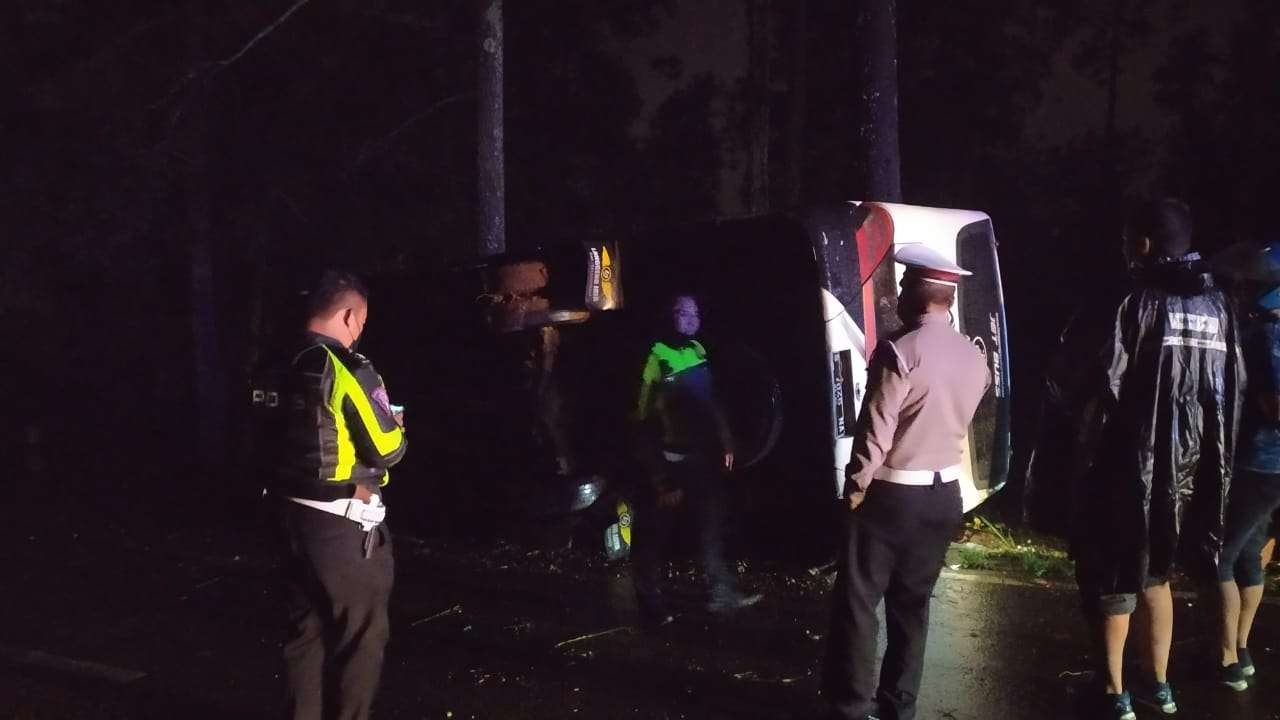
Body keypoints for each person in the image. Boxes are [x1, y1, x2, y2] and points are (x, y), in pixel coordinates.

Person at [1026, 198, 1244, 719]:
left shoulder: (1124, 299)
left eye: (1129, 242)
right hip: (1190, 475)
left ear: (1143, 244)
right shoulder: (1219, 306)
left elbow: (1072, 376)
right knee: (1157, 575)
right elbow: (1232, 388)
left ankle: (1113, 691)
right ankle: (1159, 685)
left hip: (1122, 467)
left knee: (1113, 578)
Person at [822, 245, 990, 720]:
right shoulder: (974, 357)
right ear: (948, 300)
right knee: (912, 606)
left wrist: (854, 489)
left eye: (902, 284)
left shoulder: (899, 351)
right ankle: (899, 706)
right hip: (944, 498)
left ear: (916, 294)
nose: (895, 291)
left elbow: (876, 431)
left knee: (858, 601)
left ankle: (850, 705)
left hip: (892, 495)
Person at [268, 270, 408, 720]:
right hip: (342, 526)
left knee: (302, 635)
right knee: (360, 639)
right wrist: (398, 427)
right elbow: (388, 448)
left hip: (286, 518)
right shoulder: (346, 367)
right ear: (348, 314)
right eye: (361, 321)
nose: (360, 331)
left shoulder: (273, 360)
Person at [630, 293, 761, 624]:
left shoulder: (698, 351)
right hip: (670, 463)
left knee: (712, 527)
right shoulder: (655, 357)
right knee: (655, 536)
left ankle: (720, 595)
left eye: (694, 313)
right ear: (668, 316)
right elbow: (642, 421)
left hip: (701, 459)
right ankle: (650, 602)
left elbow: (712, 402)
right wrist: (661, 478)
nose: (689, 319)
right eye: (682, 313)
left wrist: (726, 441)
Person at [1214, 243, 1280, 689]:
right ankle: (1242, 648)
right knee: (1249, 556)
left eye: (1247, 285)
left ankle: (1227, 660)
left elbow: (1274, 403)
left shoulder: (1269, 336)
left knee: (1218, 556)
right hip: (1267, 467)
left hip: (1258, 461)